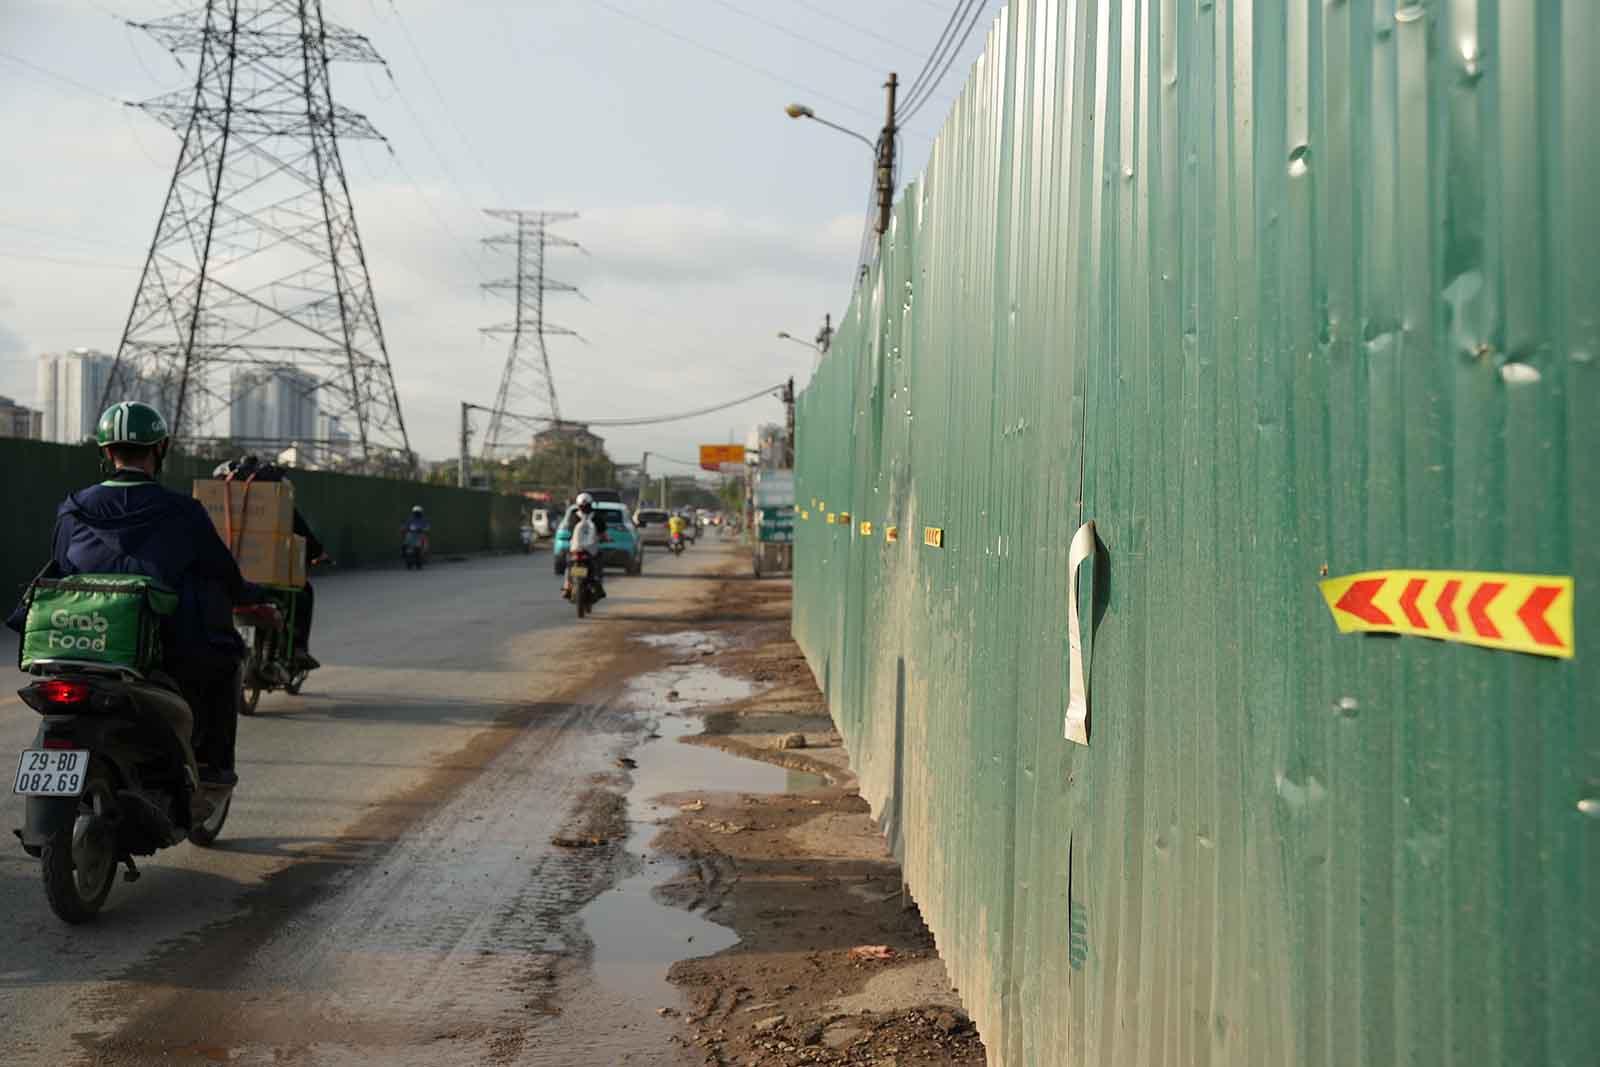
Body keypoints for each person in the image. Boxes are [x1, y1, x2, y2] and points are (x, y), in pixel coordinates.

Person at [8, 402, 263, 785]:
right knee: (225, 662)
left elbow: (61, 565)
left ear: (108, 452)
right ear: (159, 449)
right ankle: (211, 769)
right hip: (161, 648)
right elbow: (221, 572)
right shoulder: (183, 512)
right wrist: (250, 595)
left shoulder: (74, 509)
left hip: (80, 642)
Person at [211, 455, 327, 672]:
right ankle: (298, 649)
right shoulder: (276, 502)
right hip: (268, 578)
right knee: (302, 593)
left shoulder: (218, 501)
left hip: (223, 575)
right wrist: (318, 553)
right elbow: (303, 533)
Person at [561, 493, 607, 601]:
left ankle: (567, 586)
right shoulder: (596, 517)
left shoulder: (574, 517)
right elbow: (603, 533)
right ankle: (597, 584)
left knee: (569, 565)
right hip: (591, 550)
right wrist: (605, 539)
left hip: (576, 549)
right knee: (598, 564)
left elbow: (570, 532)